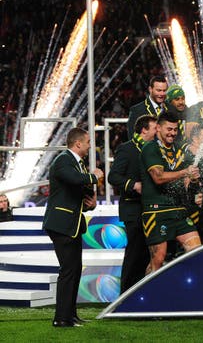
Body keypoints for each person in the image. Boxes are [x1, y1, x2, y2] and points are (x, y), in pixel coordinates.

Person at [42, 127, 104, 327]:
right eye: (87, 142)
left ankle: (70, 315)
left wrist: (90, 203)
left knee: (75, 269)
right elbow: (74, 179)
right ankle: (61, 318)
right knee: (69, 270)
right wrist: (94, 176)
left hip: (73, 225)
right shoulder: (63, 160)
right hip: (61, 225)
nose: (89, 146)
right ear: (78, 143)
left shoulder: (78, 164)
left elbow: (77, 191)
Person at [140, 112, 201, 273]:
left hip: (179, 210)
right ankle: (149, 296)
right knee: (158, 259)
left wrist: (193, 178)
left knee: (196, 252)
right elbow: (158, 177)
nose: (172, 133)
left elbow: (187, 180)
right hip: (157, 211)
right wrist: (184, 172)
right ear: (158, 128)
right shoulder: (150, 148)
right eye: (169, 129)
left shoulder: (179, 150)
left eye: (175, 130)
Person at [107, 115, 157, 294]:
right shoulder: (127, 149)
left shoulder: (153, 149)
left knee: (145, 253)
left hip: (149, 209)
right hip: (133, 209)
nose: (157, 131)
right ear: (144, 130)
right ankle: (125, 296)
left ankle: (139, 295)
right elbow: (113, 177)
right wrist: (134, 185)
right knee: (134, 253)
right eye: (155, 128)